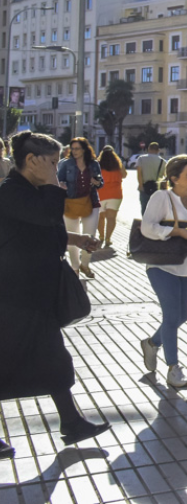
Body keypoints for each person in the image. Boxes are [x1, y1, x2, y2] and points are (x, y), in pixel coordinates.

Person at [0, 131, 110, 459]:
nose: (56, 167)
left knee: (54, 359)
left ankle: (72, 422)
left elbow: (45, 230)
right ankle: (71, 422)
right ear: (31, 161)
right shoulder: (12, 192)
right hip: (12, 297)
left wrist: (77, 240)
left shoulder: (30, 191)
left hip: (35, 295)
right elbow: (47, 215)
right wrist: (53, 184)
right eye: (51, 161)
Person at [138, 155, 187, 388]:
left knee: (182, 316)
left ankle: (152, 343)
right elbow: (147, 226)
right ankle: (173, 368)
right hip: (162, 265)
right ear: (173, 178)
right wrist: (176, 232)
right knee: (171, 317)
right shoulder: (162, 197)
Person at [58, 137, 103, 279]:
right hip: (70, 203)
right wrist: (62, 185)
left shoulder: (94, 164)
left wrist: (96, 182)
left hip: (91, 203)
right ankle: (75, 268)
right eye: (72, 148)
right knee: (72, 237)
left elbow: (101, 182)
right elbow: (59, 179)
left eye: (77, 148)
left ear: (84, 149)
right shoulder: (65, 164)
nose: (74, 151)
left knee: (90, 236)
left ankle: (85, 264)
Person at [96, 145, 127, 248]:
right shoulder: (118, 164)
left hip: (100, 194)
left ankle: (101, 236)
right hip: (115, 194)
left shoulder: (98, 164)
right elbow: (124, 175)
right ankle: (108, 238)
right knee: (111, 218)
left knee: (100, 217)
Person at [136, 142, 166, 215]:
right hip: (157, 188)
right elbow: (164, 176)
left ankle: (145, 224)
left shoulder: (141, 159)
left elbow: (139, 173)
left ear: (148, 149)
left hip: (144, 186)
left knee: (144, 208)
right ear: (158, 150)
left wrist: (140, 185)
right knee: (156, 209)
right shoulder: (163, 161)